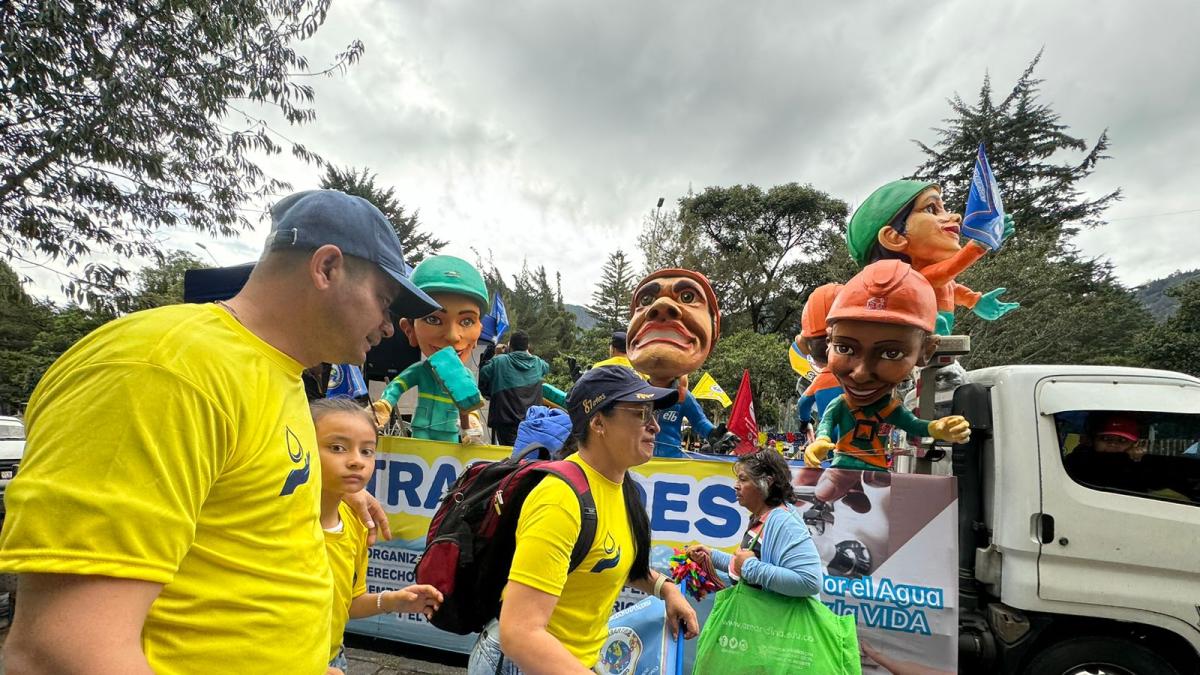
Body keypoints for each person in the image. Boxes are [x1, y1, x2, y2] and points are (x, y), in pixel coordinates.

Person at [0, 189, 439, 674]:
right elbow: (61, 652)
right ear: (327, 267)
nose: (389, 326)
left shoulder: (278, 377)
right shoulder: (164, 369)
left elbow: (238, 519)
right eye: (383, 298)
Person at [467, 366, 699, 674]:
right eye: (641, 413)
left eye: (652, 413)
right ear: (598, 422)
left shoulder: (621, 487)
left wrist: (666, 590)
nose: (655, 426)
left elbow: (607, 558)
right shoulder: (560, 499)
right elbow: (519, 633)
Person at [804, 261, 971, 500]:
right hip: (842, 467)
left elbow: (914, 425)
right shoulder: (841, 404)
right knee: (826, 494)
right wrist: (820, 442)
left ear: (926, 351)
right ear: (829, 343)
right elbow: (826, 425)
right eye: (845, 348)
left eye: (891, 353)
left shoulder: (890, 408)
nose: (861, 374)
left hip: (877, 472)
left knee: (876, 506)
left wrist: (937, 428)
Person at [311, 398, 444, 673]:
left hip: (335, 658)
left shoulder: (357, 523)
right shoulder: (282, 522)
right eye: (337, 448)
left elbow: (348, 604)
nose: (356, 461)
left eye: (367, 451)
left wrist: (395, 600)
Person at [846, 180, 1017, 335]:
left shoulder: (938, 282)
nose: (956, 217)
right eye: (931, 208)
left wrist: (976, 301)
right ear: (894, 237)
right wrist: (980, 245)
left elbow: (952, 288)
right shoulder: (910, 280)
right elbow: (947, 270)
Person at [372, 255, 490, 442]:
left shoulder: (465, 376)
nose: (452, 336)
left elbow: (470, 403)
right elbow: (397, 385)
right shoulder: (421, 371)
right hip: (422, 427)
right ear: (409, 329)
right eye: (433, 319)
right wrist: (385, 404)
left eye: (467, 321)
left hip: (451, 431)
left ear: (478, 333)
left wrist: (471, 425)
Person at [687, 450, 822, 596]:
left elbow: (811, 581)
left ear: (767, 482)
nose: (736, 485)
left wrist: (749, 566)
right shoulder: (761, 518)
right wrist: (711, 556)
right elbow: (742, 566)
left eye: (743, 479)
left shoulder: (783, 522)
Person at [625, 268, 729, 457]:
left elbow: (700, 423)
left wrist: (715, 434)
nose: (662, 306)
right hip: (638, 463)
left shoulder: (683, 396)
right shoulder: (635, 393)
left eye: (687, 297)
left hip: (671, 463)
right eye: (646, 301)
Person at [479, 331, 551, 445]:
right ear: (527, 347)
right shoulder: (537, 363)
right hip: (532, 422)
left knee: (510, 457)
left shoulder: (499, 361)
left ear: (510, 346)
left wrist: (496, 354)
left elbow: (483, 373)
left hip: (506, 424)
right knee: (528, 457)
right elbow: (546, 367)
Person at [795, 283, 844, 439]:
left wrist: (805, 421)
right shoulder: (862, 376)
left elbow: (803, 404)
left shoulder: (821, 381)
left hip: (828, 438)